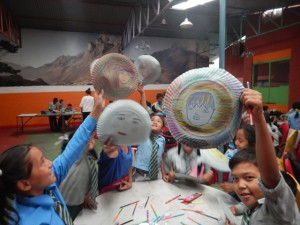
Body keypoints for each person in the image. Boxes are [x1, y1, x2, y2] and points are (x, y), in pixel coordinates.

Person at [0, 90, 105, 225]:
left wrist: (96, 110)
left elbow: (73, 147)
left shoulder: (45, 184)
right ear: (25, 184)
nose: (50, 163)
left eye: (44, 158)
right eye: (42, 163)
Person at [226, 89, 300, 225]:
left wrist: (258, 118)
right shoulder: (255, 202)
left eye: (249, 178)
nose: (240, 185)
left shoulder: (279, 211)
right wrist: (236, 209)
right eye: (235, 179)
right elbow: (252, 204)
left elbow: (271, 178)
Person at [59, 131, 99, 221]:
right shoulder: (76, 158)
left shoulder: (88, 158)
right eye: (86, 139)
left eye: (91, 138)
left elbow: (85, 180)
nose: (90, 140)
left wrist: (86, 197)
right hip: (66, 202)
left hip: (78, 201)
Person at [130, 113, 166, 181]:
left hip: (156, 176)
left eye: (158, 121)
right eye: (152, 120)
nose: (155, 122)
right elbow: (144, 115)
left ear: (162, 129)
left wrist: (163, 175)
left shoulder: (162, 140)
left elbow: (161, 158)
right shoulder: (143, 135)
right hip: (139, 175)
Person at [221, 124, 256, 194]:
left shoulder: (255, 162)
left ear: (253, 144)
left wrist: (234, 187)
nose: (236, 143)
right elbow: (223, 160)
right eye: (236, 139)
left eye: (240, 141)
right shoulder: (235, 153)